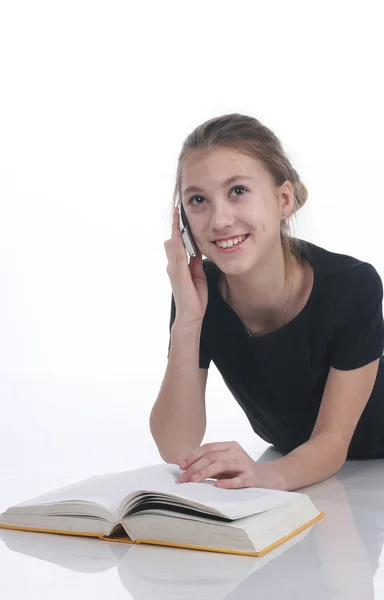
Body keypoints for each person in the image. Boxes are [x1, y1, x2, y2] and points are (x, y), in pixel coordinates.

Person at [149, 113, 384, 492]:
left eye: (238, 191)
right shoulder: (197, 296)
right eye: (198, 200)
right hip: (310, 477)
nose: (220, 219)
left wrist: (262, 478)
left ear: (283, 199)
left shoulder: (352, 286)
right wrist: (188, 321)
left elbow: (332, 441)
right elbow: (175, 445)